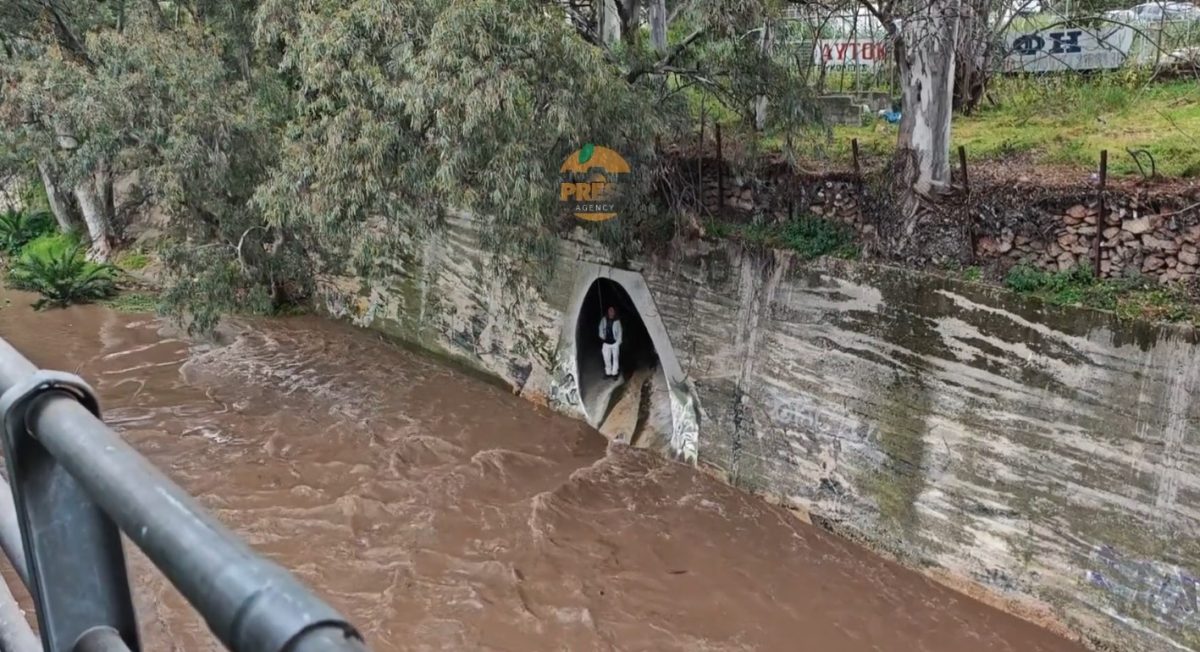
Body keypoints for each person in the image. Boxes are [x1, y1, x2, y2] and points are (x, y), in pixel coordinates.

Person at [598, 306, 622, 379]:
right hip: (606, 343)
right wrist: (602, 336)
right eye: (609, 311)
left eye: (612, 311)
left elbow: (620, 332)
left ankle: (614, 373)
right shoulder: (604, 320)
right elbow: (600, 329)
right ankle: (608, 373)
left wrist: (618, 342)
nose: (611, 312)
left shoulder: (617, 321)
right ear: (608, 312)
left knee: (615, 358)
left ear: (614, 312)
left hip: (614, 343)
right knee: (606, 358)